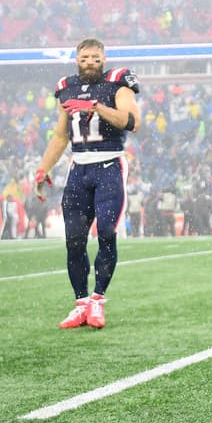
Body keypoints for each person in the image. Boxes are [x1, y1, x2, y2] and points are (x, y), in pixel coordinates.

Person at [33, 37, 141, 330]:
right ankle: (81, 303)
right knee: (74, 241)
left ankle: (98, 298)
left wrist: (96, 107)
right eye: (84, 58)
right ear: (76, 60)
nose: (90, 63)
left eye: (95, 58)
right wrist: (43, 169)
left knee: (106, 233)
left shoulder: (118, 82)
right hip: (78, 168)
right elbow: (60, 135)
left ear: (103, 58)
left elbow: (132, 121)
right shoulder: (65, 87)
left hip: (109, 165)